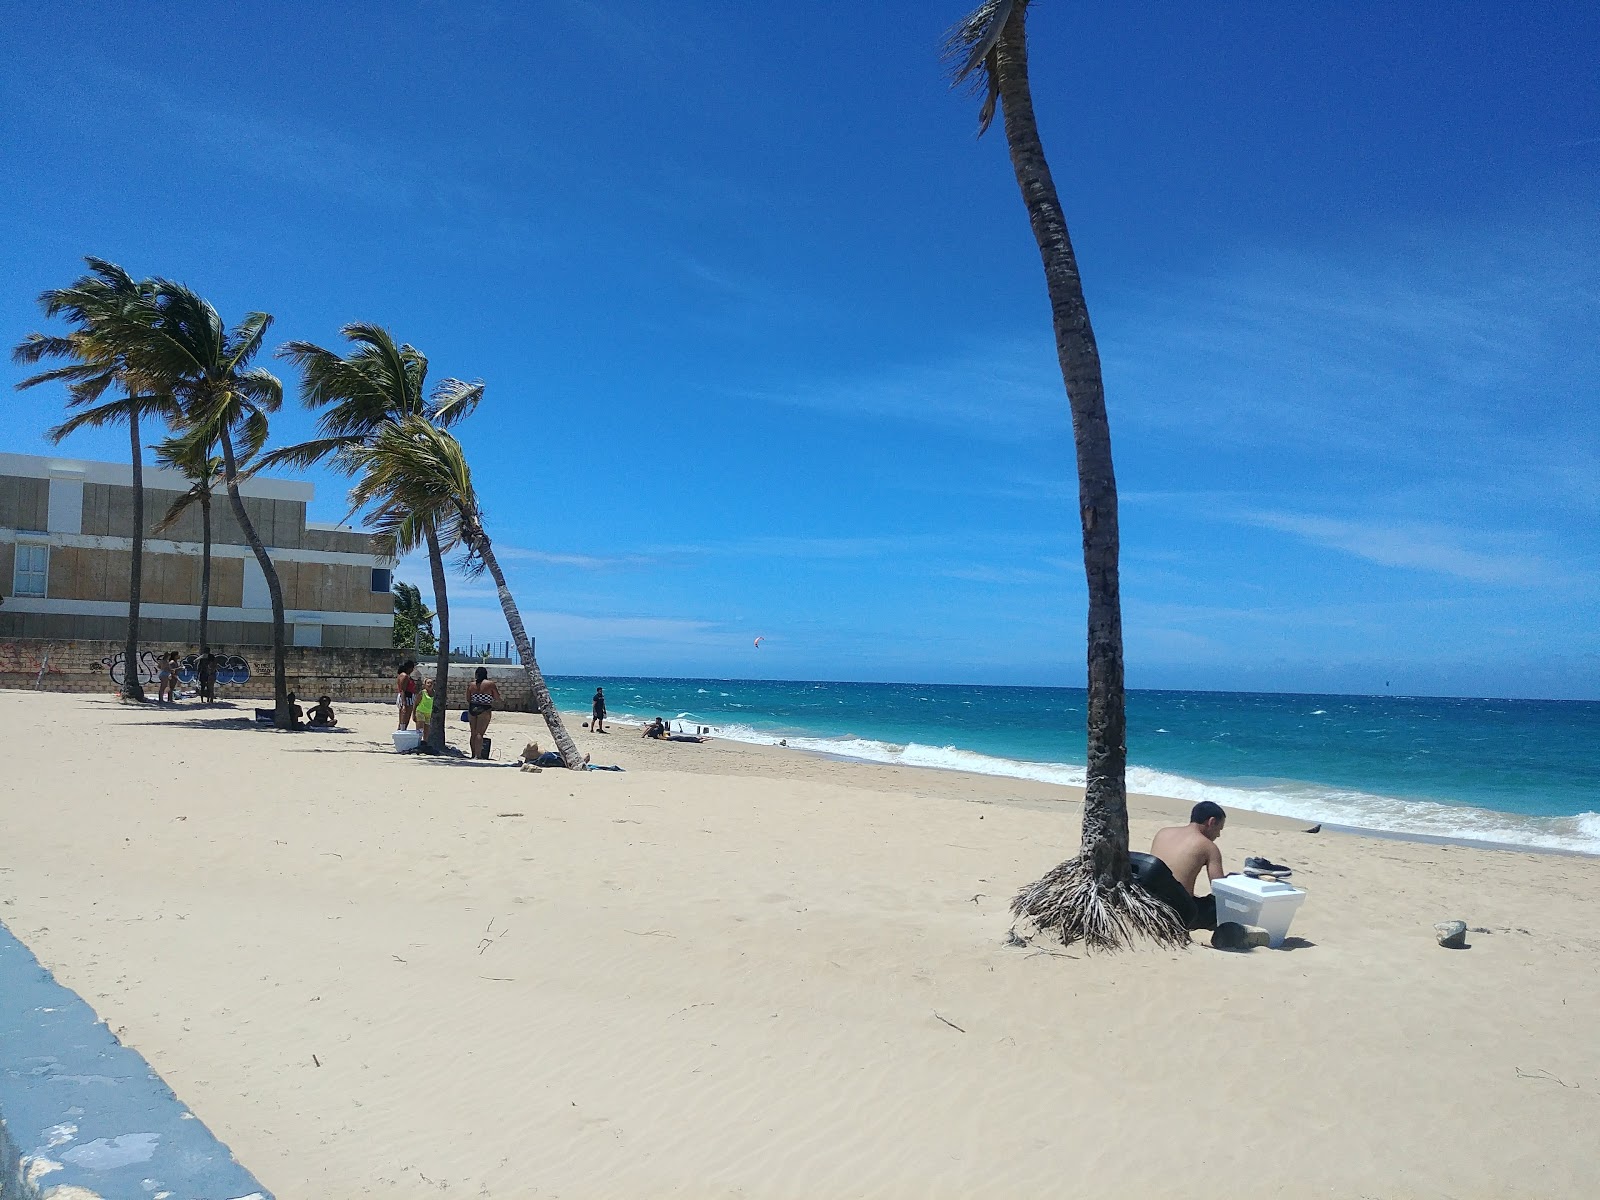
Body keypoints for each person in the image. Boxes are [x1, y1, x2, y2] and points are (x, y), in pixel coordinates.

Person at [1148, 801, 1230, 931]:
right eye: (1219, 829)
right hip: (1180, 913)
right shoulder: (1208, 846)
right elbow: (1220, 890)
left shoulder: (1163, 832)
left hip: (1150, 903)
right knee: (1219, 906)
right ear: (1212, 822)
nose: (1218, 835)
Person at [467, 667, 502, 760]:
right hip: (484, 708)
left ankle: (473, 754)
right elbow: (497, 697)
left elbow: (468, 698)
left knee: (473, 733)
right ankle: (478, 756)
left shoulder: (471, 685)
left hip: (472, 708)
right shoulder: (490, 684)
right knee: (480, 733)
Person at [396, 659, 418, 730]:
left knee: (405, 721)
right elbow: (402, 690)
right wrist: (404, 704)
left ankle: (402, 732)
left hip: (409, 698)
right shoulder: (404, 676)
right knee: (404, 720)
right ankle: (401, 734)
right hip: (406, 698)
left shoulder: (405, 675)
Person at [414, 678, 437, 747]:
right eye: (428, 683)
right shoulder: (422, 693)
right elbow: (416, 703)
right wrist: (413, 714)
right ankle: (418, 742)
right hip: (420, 711)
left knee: (427, 729)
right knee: (420, 728)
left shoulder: (435, 693)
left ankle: (425, 743)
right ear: (425, 685)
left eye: (431, 683)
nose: (430, 685)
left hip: (429, 713)